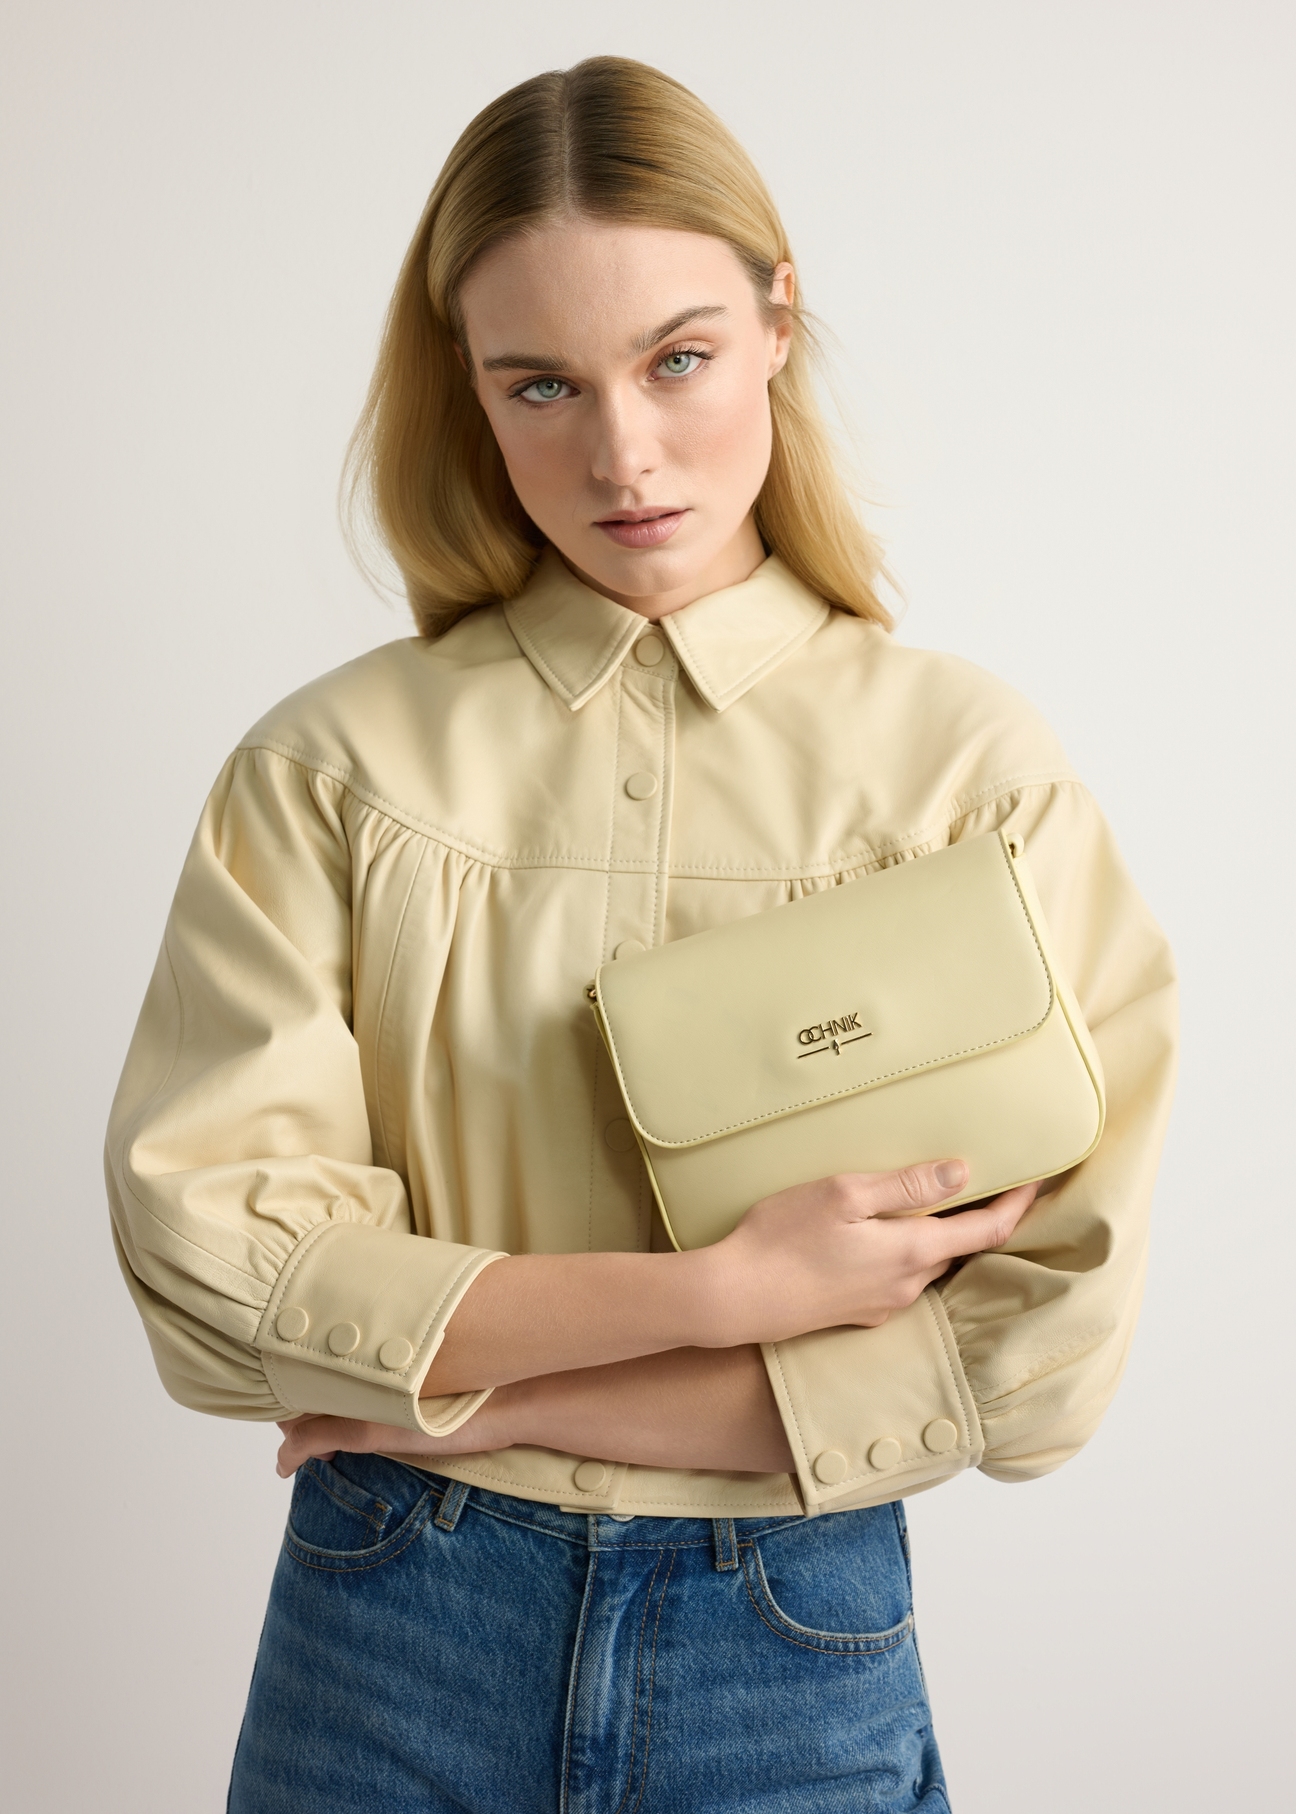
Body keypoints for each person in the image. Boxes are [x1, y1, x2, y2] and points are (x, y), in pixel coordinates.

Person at [105, 56, 1177, 1814]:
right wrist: (726, 1299)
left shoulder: (966, 772)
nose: (622, 453)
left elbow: (1033, 1362)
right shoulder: (330, 768)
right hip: (392, 1632)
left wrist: (452, 1385)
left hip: (787, 1640)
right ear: (468, 390)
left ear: (777, 319)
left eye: (677, 356)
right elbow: (221, 1287)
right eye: (540, 383)